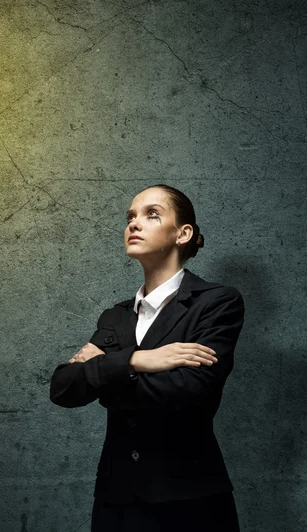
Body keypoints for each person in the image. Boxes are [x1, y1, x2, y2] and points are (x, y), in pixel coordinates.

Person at [49, 184, 245, 532]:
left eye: (151, 214)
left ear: (183, 233)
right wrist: (138, 361)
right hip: (117, 501)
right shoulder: (116, 317)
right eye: (130, 217)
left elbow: (188, 391)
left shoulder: (216, 303)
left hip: (189, 501)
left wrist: (103, 373)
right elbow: (63, 388)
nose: (134, 224)